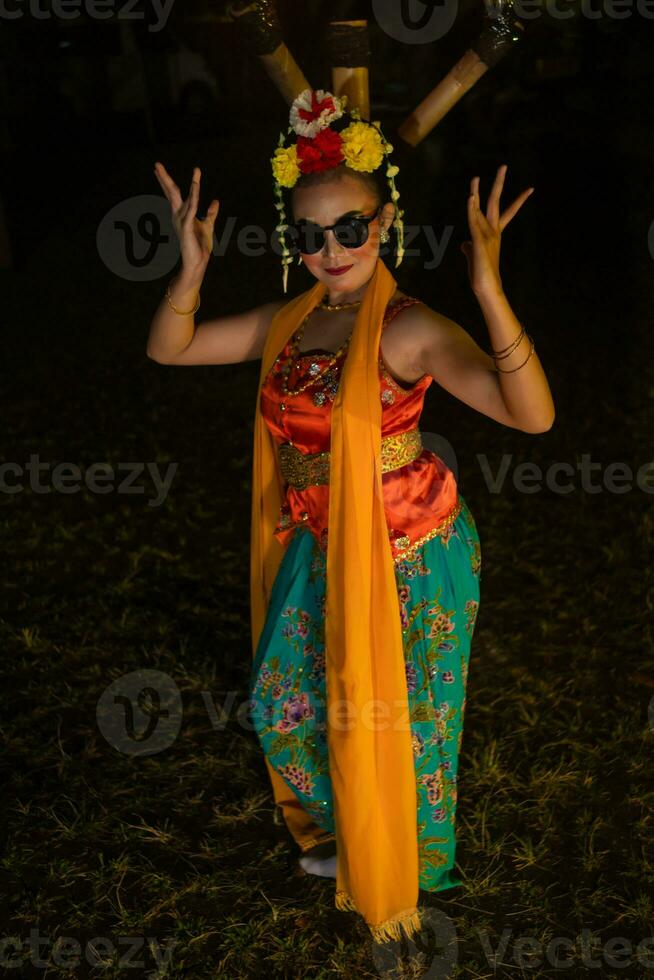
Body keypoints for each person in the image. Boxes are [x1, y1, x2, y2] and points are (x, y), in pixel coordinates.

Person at [147, 88, 555, 945]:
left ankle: (400, 857)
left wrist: (487, 288)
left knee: (408, 723)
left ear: (386, 223)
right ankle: (356, 823)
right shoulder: (294, 320)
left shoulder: (405, 330)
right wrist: (188, 275)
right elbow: (171, 347)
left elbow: (533, 416)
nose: (329, 250)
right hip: (324, 543)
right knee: (284, 701)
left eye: (350, 229)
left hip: (410, 552)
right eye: (308, 234)